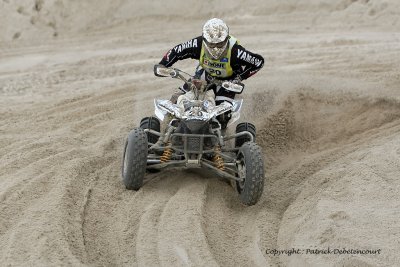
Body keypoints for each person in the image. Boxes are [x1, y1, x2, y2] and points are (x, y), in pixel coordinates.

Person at [155, 18, 264, 129]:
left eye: (220, 44)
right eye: (212, 45)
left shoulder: (236, 51)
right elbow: (176, 50)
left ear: (226, 39)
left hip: (228, 82)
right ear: (205, 39)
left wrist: (240, 77)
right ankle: (167, 130)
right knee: (175, 99)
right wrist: (163, 65)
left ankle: (218, 138)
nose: (216, 49)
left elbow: (259, 62)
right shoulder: (198, 43)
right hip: (205, 75)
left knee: (223, 115)